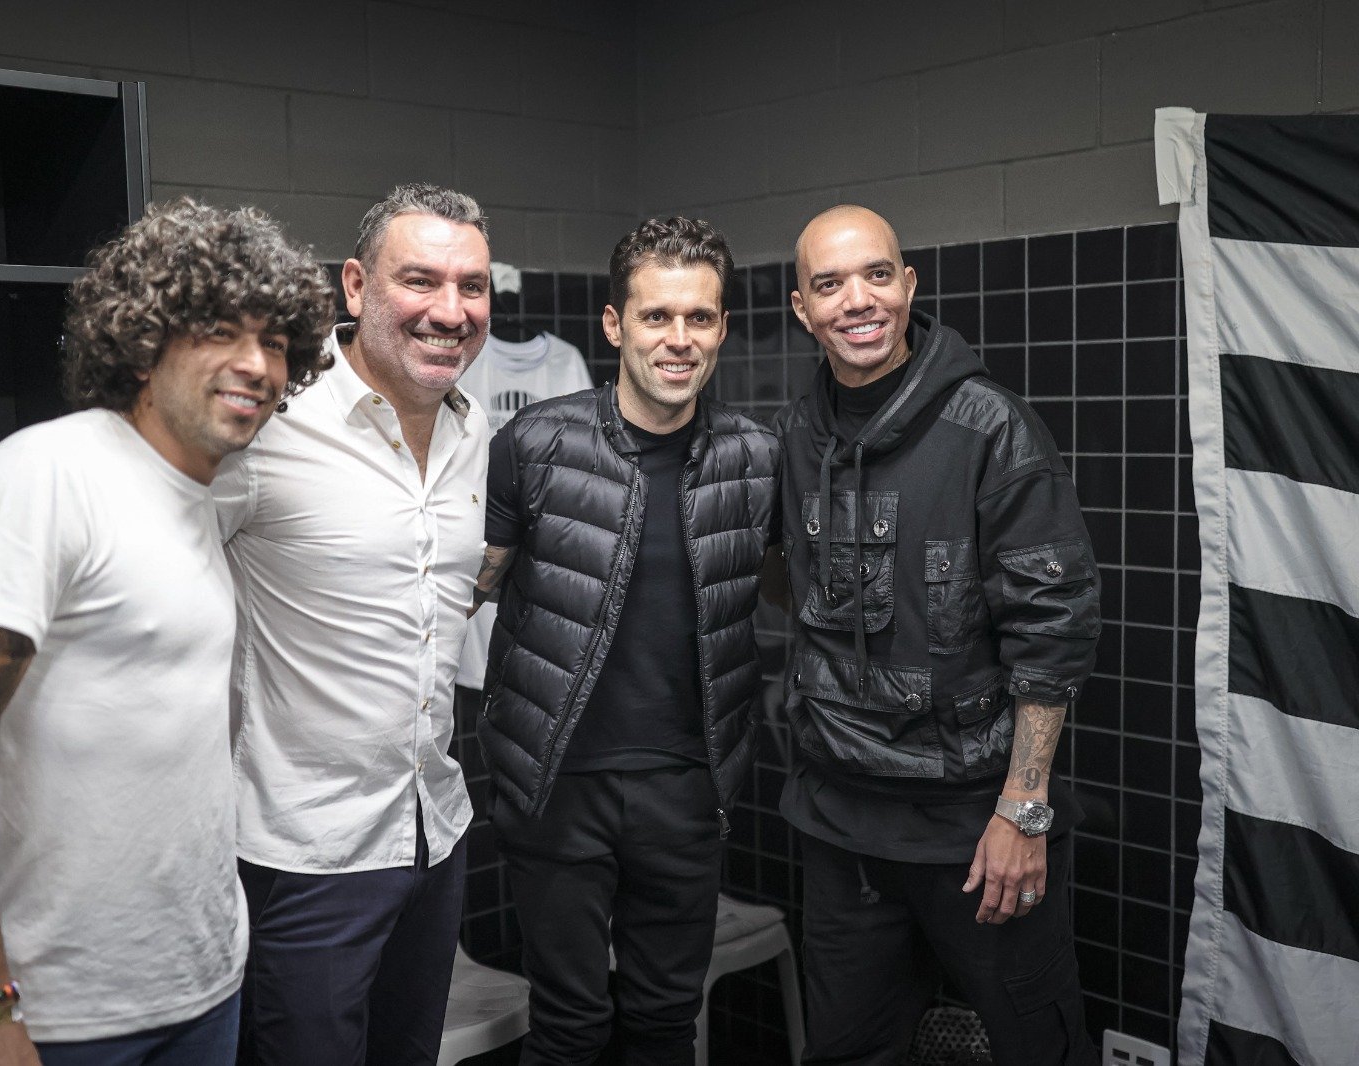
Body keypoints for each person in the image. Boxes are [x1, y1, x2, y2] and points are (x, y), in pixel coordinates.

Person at [0, 199, 335, 1066]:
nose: (255, 364)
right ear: (143, 341)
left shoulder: (197, 498)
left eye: (275, 342)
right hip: (66, 1013)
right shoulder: (48, 474)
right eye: (220, 330)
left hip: (204, 985)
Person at [772, 204, 1101, 1065]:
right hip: (843, 830)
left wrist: (1023, 811)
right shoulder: (796, 437)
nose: (858, 300)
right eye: (830, 283)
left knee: (1039, 1046)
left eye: (877, 274)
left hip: (976, 829)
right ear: (802, 309)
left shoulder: (991, 426)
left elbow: (1055, 627)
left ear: (909, 286)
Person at [472, 216, 780, 1065]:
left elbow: (783, 589)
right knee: (568, 1029)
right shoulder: (534, 445)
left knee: (661, 1024)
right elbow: (469, 592)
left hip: (685, 790)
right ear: (615, 325)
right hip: (557, 786)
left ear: (720, 325)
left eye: (700, 318)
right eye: (656, 317)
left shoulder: (756, 457)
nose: (678, 341)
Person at [213, 183, 493, 1066]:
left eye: (474, 287)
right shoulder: (266, 425)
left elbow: (446, 591)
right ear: (355, 286)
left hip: (433, 830)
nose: (450, 311)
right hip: (305, 853)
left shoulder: (474, 429)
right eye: (420, 280)